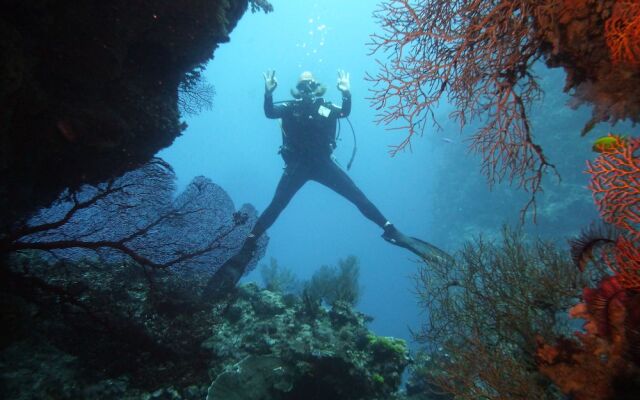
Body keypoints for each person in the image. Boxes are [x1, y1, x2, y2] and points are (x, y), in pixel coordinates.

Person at [207, 70, 449, 295]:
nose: (307, 89)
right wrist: (268, 93)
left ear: (317, 87)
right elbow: (270, 113)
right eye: (302, 85)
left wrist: (347, 93)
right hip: (297, 167)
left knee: (359, 198)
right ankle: (247, 247)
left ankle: (392, 231)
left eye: (310, 84)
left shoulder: (328, 108)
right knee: (276, 206)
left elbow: (345, 112)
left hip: (323, 164)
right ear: (297, 89)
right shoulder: (289, 108)